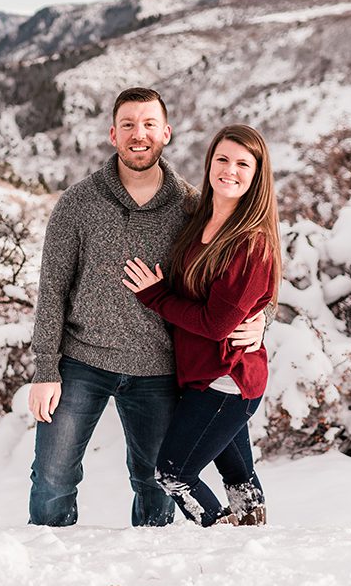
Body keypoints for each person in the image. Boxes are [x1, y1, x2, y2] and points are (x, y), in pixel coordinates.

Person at [27, 88, 267, 527]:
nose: (140, 135)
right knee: (52, 479)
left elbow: (238, 272)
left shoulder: (193, 207)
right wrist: (46, 369)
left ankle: (151, 571)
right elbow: (52, 290)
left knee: (154, 487)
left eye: (150, 124)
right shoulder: (78, 204)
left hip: (160, 370)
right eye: (130, 125)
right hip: (82, 362)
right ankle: (48, 568)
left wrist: (261, 319)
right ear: (112, 134)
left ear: (166, 133)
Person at [122, 124, 280, 527]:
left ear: (257, 176)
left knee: (173, 475)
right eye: (222, 159)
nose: (230, 170)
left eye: (243, 164)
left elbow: (215, 324)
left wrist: (155, 295)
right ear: (209, 163)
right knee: (238, 473)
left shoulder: (250, 243)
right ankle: (252, 535)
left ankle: (221, 533)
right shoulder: (199, 221)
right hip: (200, 377)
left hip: (228, 381)